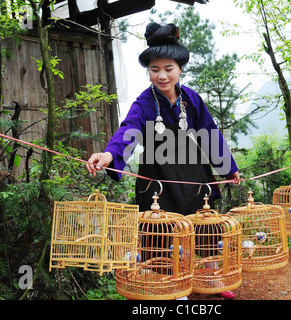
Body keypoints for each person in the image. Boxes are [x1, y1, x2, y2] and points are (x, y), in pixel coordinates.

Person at [86, 22, 240, 299]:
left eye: (168, 69)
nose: (162, 76)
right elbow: (129, 130)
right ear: (148, 71)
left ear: (180, 69)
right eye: (155, 69)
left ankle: (209, 276)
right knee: (161, 227)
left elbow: (209, 133)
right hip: (157, 173)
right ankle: (172, 284)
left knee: (202, 221)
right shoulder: (144, 102)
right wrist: (109, 154)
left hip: (193, 171)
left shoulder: (191, 99)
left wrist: (228, 168)